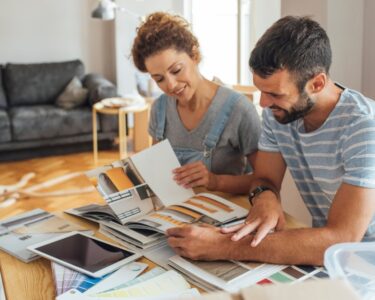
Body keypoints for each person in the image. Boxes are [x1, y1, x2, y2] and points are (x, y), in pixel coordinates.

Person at [166, 16, 375, 266]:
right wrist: (266, 196)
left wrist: (221, 245)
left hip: (362, 261)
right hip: (330, 257)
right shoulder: (278, 114)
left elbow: (342, 241)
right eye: (261, 91)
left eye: (275, 94)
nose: (263, 104)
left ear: (317, 83)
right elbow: (264, 179)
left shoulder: (363, 128)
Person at [131, 12, 261, 194]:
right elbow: (159, 173)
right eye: (159, 79)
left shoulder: (239, 110)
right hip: (175, 215)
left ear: (195, 55)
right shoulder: (160, 110)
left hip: (226, 217)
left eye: (176, 70)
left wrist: (215, 181)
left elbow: (265, 181)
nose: (171, 85)